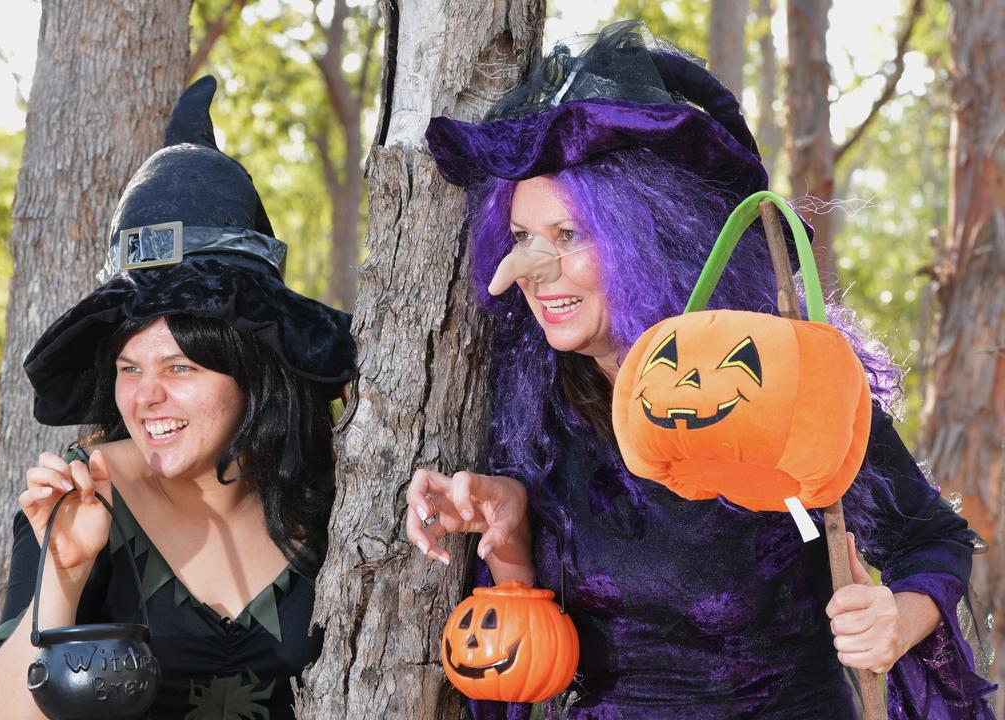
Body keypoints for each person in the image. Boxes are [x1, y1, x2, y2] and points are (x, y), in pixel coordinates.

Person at [411, 22, 996, 719]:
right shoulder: (539, 398)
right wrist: (508, 543)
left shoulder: (772, 374)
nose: (530, 271)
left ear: (648, 236)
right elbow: (538, 654)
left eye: (569, 236)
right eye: (520, 237)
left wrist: (898, 616)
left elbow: (929, 539)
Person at [0, 76, 355, 720]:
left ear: (253, 371)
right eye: (129, 368)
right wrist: (65, 572)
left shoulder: (342, 489)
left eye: (181, 367)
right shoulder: (83, 497)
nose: (147, 397)